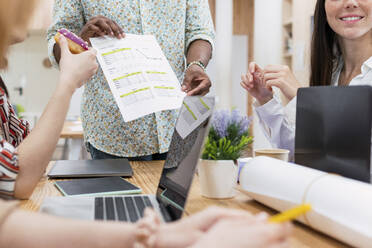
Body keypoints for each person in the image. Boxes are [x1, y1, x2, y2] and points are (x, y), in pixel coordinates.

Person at [47, 0, 215, 161]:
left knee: (177, 191)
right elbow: (57, 39)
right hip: (112, 133)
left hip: (177, 125)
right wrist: (80, 40)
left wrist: (196, 64)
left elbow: (200, 31)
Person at [241, 0, 372, 160]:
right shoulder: (330, 74)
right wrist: (265, 99)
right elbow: (306, 153)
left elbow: (354, 158)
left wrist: (303, 99)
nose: (351, 3)